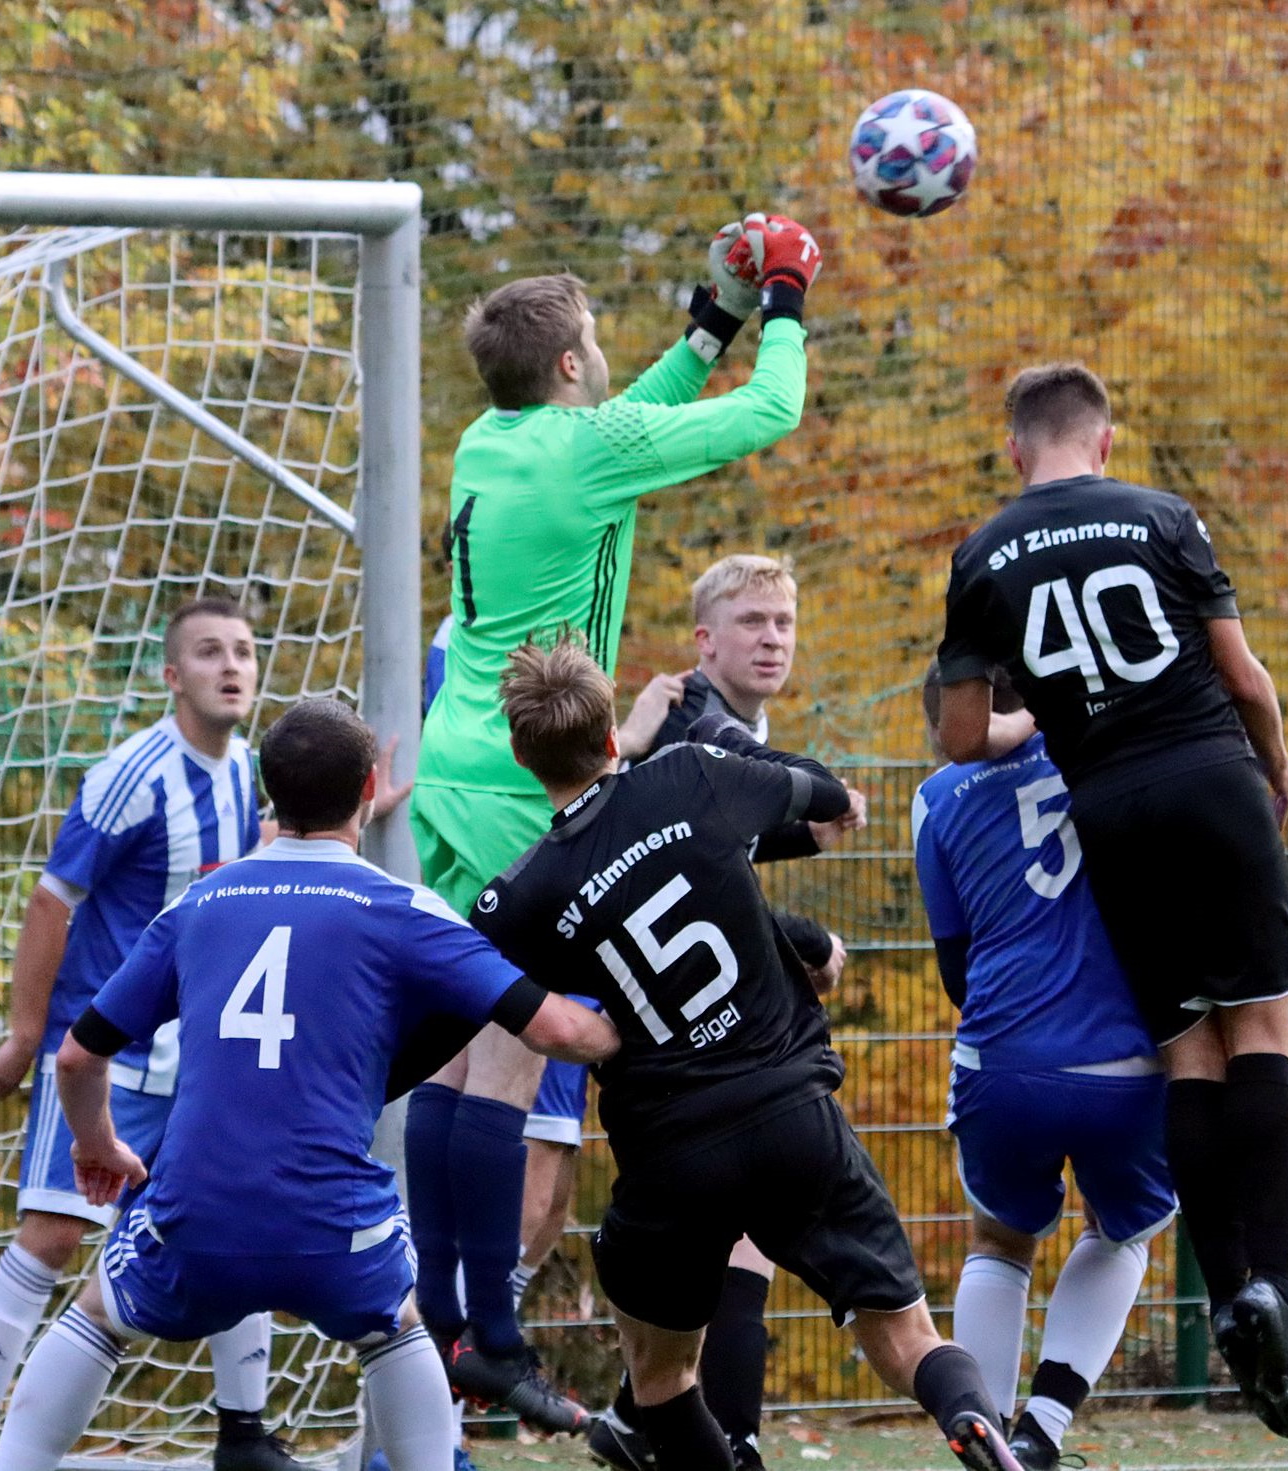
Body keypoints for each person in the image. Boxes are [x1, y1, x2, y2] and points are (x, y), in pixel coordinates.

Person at [401, 213, 821, 1419]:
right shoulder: (587, 451)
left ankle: (458, 1324)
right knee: (501, 1052)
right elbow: (767, 415)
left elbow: (624, 413)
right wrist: (783, 296)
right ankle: (481, 1329)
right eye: (593, 341)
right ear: (572, 366)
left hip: (458, 761)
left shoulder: (497, 434)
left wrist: (712, 314)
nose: (601, 355)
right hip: (526, 774)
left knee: (465, 1042)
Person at [0, 699, 621, 1471]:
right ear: (370, 786)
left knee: (98, 1312)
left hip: (197, 1216)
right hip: (334, 1225)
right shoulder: (401, 908)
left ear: (268, 791)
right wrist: (631, 1025)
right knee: (395, 1324)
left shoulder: (200, 902)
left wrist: (100, 1144)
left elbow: (77, 1058)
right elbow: (555, 1030)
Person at [465, 634, 1025, 1471]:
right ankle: (974, 1423)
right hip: (793, 1112)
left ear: (520, 753)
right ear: (614, 730)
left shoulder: (519, 894)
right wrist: (727, 743)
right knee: (907, 1337)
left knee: (660, 1376)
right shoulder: (690, 774)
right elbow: (828, 794)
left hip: (670, 1148)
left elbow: (478, 997)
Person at [932, 363, 1288, 1439]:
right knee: (1261, 1030)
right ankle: (1272, 1290)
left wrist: (1039, 723)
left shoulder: (980, 553)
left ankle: (1224, 1284)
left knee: (1187, 1048)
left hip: (1108, 808)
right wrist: (1274, 767)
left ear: (1016, 449)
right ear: (1104, 442)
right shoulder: (1161, 514)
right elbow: (1241, 674)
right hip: (1207, 775)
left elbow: (962, 737)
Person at [0, 600, 300, 1471]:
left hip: (200, 1060)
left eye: (244, 652)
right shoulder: (130, 775)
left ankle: (242, 1433)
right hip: (108, 1054)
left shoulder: (246, 767)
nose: (232, 665)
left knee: (233, 1219)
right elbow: (50, 900)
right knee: (55, 1234)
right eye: (210, 652)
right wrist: (28, 1033)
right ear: (173, 676)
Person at [581, 553, 862, 1471]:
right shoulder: (702, 728)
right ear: (703, 640)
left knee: (719, 1246)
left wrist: (793, 842)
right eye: (751, 622)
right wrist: (801, 941)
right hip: (666, 1033)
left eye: (782, 622)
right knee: (722, 1242)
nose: (772, 638)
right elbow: (788, 811)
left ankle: (648, 1419)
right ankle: (718, 1439)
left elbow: (724, 858)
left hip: (677, 1025)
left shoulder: (725, 723)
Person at [913, 662, 1176, 1471]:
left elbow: (954, 960)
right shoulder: (1112, 753)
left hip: (1003, 1058)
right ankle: (1043, 1426)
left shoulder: (937, 795)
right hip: (1124, 1058)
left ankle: (988, 1435)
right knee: (1124, 1231)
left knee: (997, 1243)